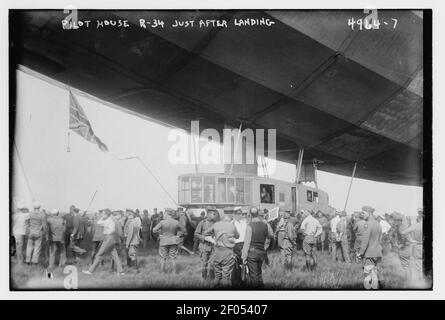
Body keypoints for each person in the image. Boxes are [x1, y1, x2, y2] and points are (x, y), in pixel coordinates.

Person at [83, 209, 124, 275]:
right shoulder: (108, 219)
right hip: (111, 238)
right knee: (115, 255)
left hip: (108, 238)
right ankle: (120, 271)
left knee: (99, 254)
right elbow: (99, 222)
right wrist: (103, 217)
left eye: (103, 214)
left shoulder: (108, 220)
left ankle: (90, 271)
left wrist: (108, 232)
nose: (101, 215)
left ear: (106, 214)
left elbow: (109, 228)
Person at [203, 214, 239, 286]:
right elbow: (237, 236)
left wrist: (213, 240)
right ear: (229, 220)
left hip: (217, 252)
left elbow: (205, 233)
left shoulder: (216, 224)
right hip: (228, 253)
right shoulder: (232, 226)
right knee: (226, 276)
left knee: (217, 276)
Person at [242, 207, 273, 288]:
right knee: (259, 274)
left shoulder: (250, 226)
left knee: (254, 277)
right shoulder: (265, 224)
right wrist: (265, 245)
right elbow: (271, 235)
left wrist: (244, 257)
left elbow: (247, 243)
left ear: (250, 215)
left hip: (252, 253)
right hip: (261, 252)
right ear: (258, 214)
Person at [357, 206, 382, 289]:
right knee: (375, 274)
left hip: (369, 253)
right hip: (378, 252)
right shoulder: (378, 223)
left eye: (363, 213)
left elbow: (365, 240)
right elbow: (379, 239)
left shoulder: (367, 224)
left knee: (367, 276)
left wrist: (360, 253)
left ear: (369, 213)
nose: (362, 214)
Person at [400, 208, 424, 284]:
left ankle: (421, 283)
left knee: (418, 265)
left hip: (418, 246)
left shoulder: (416, 225)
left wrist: (411, 240)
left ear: (419, 216)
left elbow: (403, 232)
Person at [194, 209, 218, 280]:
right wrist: (205, 238)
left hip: (213, 246)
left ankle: (211, 279)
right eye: (213, 214)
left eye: (215, 214)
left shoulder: (216, 223)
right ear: (208, 215)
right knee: (204, 263)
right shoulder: (202, 223)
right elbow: (196, 234)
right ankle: (204, 279)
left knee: (213, 263)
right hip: (204, 246)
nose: (215, 215)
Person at [231, 207, 247, 286]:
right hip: (235, 245)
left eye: (240, 214)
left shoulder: (244, 223)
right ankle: (235, 281)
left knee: (244, 263)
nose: (239, 215)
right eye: (237, 214)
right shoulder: (232, 223)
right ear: (234, 214)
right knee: (236, 264)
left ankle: (243, 280)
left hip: (244, 244)